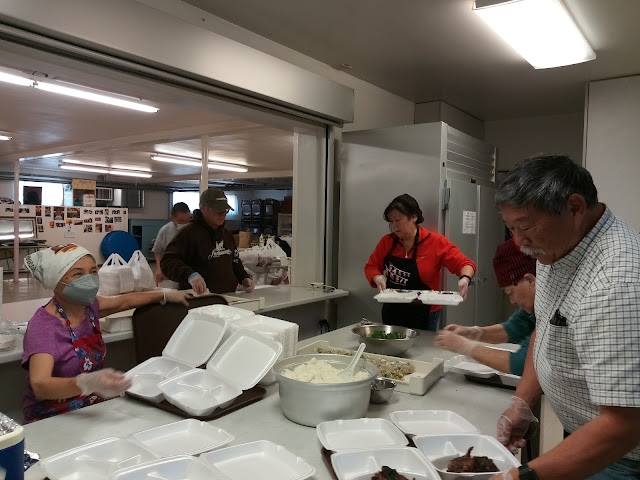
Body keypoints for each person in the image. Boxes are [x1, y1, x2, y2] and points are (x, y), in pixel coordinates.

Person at [490, 155, 640, 480]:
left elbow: (625, 424)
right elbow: (546, 327)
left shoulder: (616, 283)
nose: (519, 242)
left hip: (622, 456)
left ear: (574, 208)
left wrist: (518, 478)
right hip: (586, 433)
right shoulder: (555, 249)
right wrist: (523, 403)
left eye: (526, 227)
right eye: (511, 229)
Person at [21, 244, 192, 423]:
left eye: (93, 271)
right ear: (55, 281)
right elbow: (40, 386)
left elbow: (122, 302)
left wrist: (164, 295)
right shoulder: (44, 326)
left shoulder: (89, 307)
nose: (89, 279)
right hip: (51, 415)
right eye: (78, 274)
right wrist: (87, 383)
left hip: (90, 404)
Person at [364, 194, 476, 331]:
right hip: (393, 310)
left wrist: (465, 278)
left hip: (425, 313)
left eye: (398, 220)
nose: (394, 226)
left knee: (422, 350)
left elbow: (465, 264)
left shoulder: (435, 242)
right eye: (391, 221)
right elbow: (371, 266)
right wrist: (377, 276)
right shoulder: (387, 242)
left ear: (414, 217)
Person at [436, 238, 536, 376]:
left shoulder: (551, 310)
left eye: (510, 292)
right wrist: (470, 333)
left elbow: (523, 363)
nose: (512, 301)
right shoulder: (532, 309)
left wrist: (465, 346)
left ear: (530, 280)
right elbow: (512, 329)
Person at [161, 188, 255, 295]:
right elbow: (168, 262)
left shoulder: (226, 234)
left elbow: (234, 261)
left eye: (225, 210)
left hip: (227, 297)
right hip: (198, 299)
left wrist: (244, 278)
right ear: (203, 208)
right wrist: (190, 275)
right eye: (218, 210)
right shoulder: (188, 233)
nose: (223, 214)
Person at [152, 202, 191, 285]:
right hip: (173, 273)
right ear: (172, 218)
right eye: (181, 221)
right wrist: (159, 269)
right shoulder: (165, 230)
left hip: (192, 273)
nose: (185, 224)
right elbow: (158, 251)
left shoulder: (194, 230)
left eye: (187, 220)